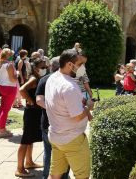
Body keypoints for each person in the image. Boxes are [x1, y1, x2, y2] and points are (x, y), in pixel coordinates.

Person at [45, 49, 94, 179]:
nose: (82, 68)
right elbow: (77, 117)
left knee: (54, 175)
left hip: (56, 136)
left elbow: (65, 101)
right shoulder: (69, 86)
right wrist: (88, 106)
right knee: (82, 176)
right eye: (80, 64)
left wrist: (83, 103)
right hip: (73, 138)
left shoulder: (53, 78)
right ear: (69, 64)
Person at [36, 57, 70, 179]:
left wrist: (51, 109)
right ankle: (64, 176)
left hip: (48, 122)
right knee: (66, 152)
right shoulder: (68, 80)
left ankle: (47, 176)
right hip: (64, 123)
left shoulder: (44, 79)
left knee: (49, 151)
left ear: (51, 67)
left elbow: (39, 101)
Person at [15, 58, 47, 177]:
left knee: (30, 139)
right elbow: (22, 90)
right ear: (35, 68)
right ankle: (20, 168)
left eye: (45, 67)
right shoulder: (34, 78)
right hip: (31, 113)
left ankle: (29, 162)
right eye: (42, 67)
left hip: (34, 113)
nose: (45, 69)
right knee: (25, 140)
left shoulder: (38, 78)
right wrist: (32, 101)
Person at [0, 48, 18, 137]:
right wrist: (18, 75)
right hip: (10, 88)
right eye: (11, 55)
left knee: (2, 108)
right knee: (6, 110)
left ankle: (0, 127)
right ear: (8, 56)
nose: (12, 57)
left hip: (2, 87)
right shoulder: (9, 66)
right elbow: (12, 80)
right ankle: (2, 130)